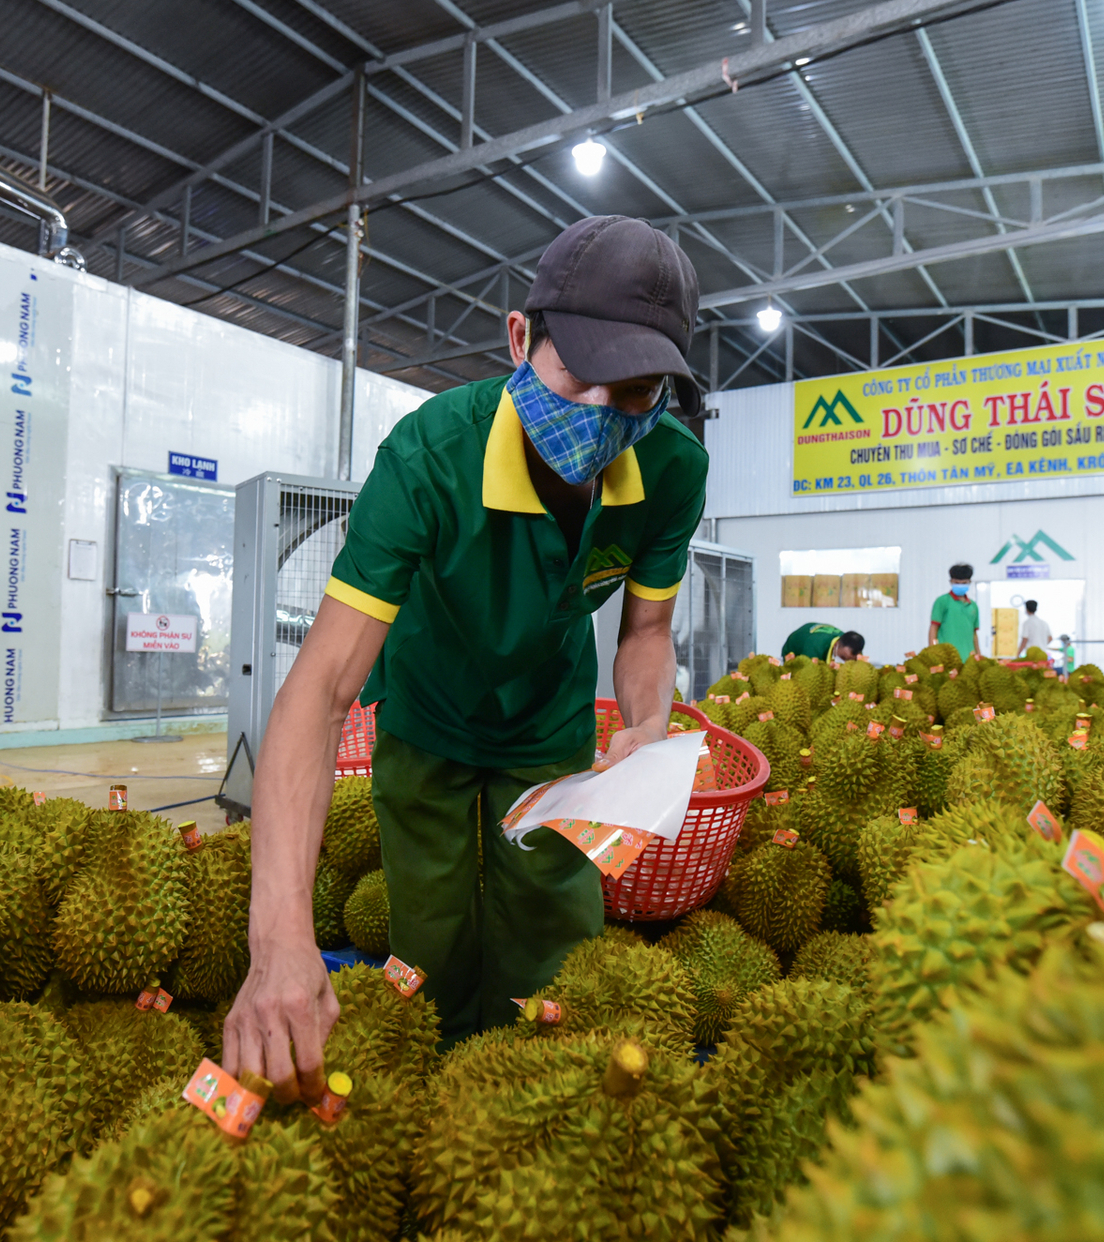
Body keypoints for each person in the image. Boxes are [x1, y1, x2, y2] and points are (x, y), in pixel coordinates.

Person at [222, 216, 707, 1098]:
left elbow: (643, 631)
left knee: (553, 954)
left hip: (549, 732)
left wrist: (646, 723)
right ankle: (434, 1102)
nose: (602, 412)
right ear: (520, 337)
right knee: (432, 949)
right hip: (429, 716)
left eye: (634, 390)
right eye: (581, 374)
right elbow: (321, 690)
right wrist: (280, 934)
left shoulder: (672, 470)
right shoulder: (428, 457)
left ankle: (541, 1116)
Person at [927, 563, 980, 660]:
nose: (960, 585)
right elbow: (934, 628)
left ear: (969, 582)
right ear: (951, 581)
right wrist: (932, 652)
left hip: (968, 659)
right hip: (946, 658)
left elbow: (974, 634)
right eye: (957, 583)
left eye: (964, 583)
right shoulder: (942, 601)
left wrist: (978, 655)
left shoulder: (973, 606)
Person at [781, 622, 864, 662]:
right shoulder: (814, 647)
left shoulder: (855, 647)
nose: (845, 662)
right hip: (796, 642)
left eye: (849, 660)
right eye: (843, 657)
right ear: (836, 645)